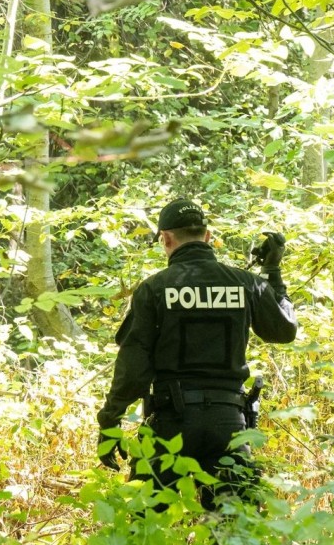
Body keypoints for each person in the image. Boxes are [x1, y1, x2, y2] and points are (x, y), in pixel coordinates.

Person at [96, 198, 297, 505]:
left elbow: (134, 365)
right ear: (207, 235)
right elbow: (283, 331)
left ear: (165, 239)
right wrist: (272, 271)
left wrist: (110, 420)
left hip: (169, 425)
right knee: (236, 532)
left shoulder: (154, 289)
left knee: (146, 528)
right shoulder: (245, 283)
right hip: (229, 423)